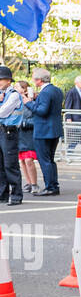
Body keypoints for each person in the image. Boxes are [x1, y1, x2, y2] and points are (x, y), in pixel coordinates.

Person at [29, 67, 64, 196]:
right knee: (50, 159)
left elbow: (42, 111)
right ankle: (54, 184)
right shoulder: (57, 90)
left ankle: (50, 186)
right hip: (54, 129)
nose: (33, 81)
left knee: (44, 160)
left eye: (34, 79)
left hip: (43, 130)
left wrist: (29, 103)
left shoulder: (45, 93)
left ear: (39, 80)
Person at [0, 66, 24, 204]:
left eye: (1, 80)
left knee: (10, 165)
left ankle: (16, 195)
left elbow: (3, 112)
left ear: (8, 80)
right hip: (1, 131)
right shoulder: (2, 94)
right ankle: (2, 194)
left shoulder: (14, 94)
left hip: (9, 132)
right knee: (1, 165)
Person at [16, 80, 41, 192]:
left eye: (17, 87)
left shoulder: (32, 101)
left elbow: (36, 119)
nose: (14, 89)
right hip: (19, 135)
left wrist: (23, 123)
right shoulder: (15, 101)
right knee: (22, 161)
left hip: (29, 134)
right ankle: (28, 183)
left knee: (28, 160)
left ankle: (34, 183)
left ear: (24, 89)